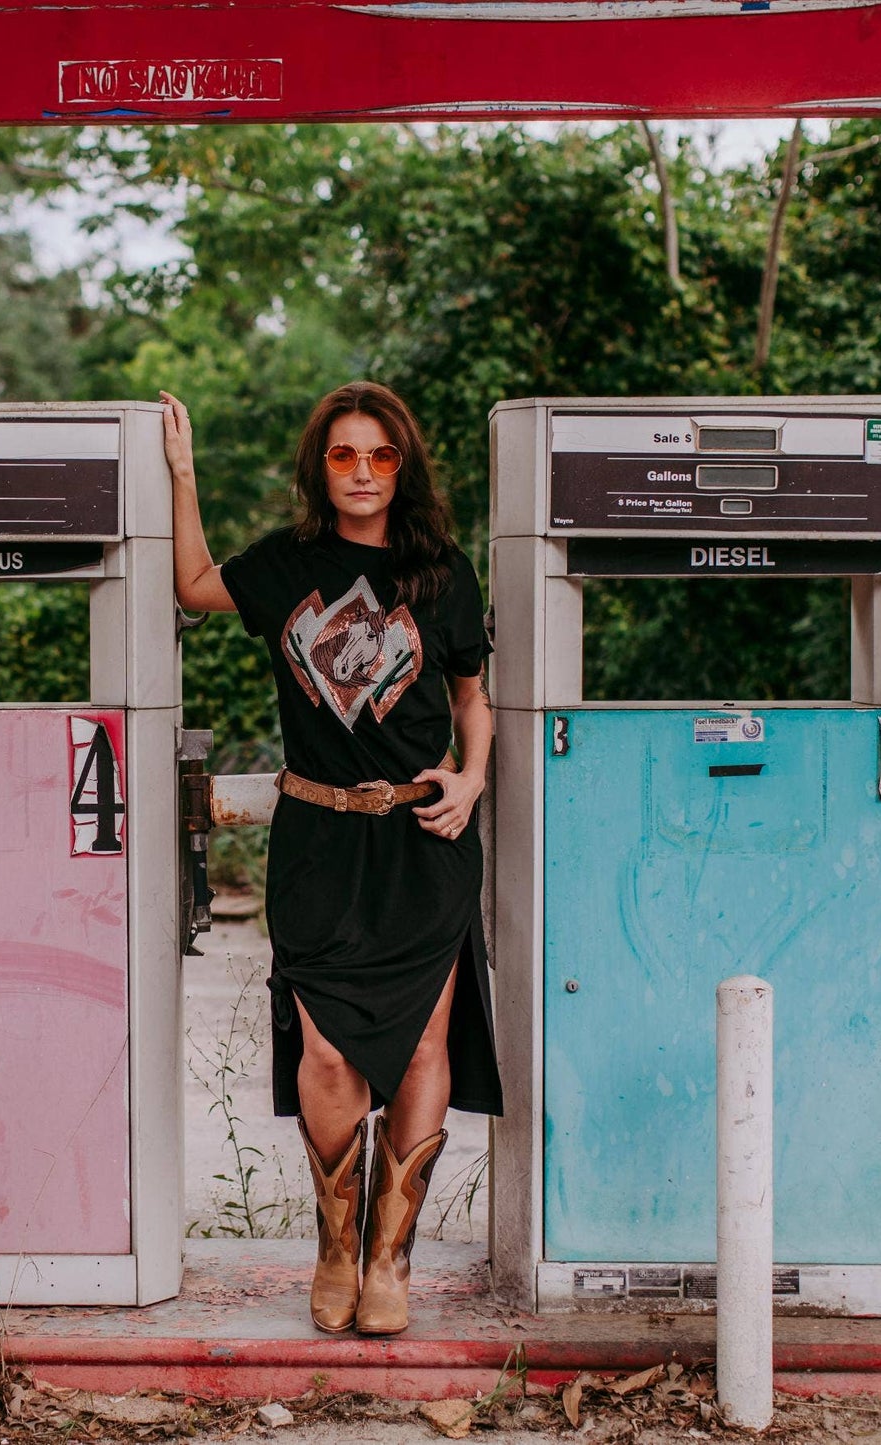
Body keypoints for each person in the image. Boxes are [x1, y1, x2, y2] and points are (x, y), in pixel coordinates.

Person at [163, 381, 503, 1336]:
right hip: (315, 839)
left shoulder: (442, 572)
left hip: (422, 839)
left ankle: (390, 1259)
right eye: (344, 455)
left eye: (380, 455)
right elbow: (191, 586)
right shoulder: (285, 565)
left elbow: (473, 696)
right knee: (325, 1049)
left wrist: (472, 780)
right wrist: (183, 475)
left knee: (425, 1046)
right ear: (320, 466)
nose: (361, 472)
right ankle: (332, 1244)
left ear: (404, 465)